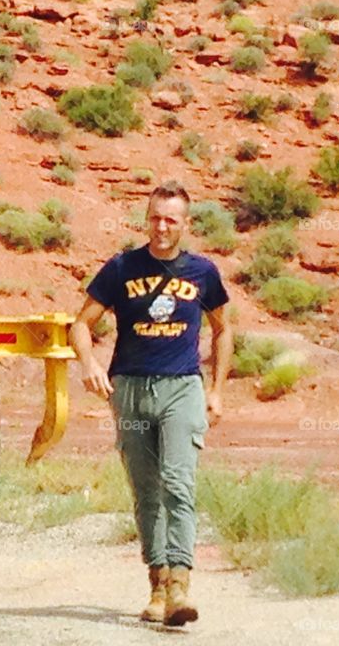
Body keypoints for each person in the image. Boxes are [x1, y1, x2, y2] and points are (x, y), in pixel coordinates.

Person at [70, 181, 233, 627]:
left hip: (182, 388)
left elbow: (223, 330)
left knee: (178, 484)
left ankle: (181, 584)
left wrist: (216, 390)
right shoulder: (122, 267)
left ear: (186, 224)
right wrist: (89, 363)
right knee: (146, 491)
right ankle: (157, 585)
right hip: (131, 390)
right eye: (155, 217)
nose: (162, 227)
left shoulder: (202, 272)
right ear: (147, 218)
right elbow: (81, 324)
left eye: (171, 220)